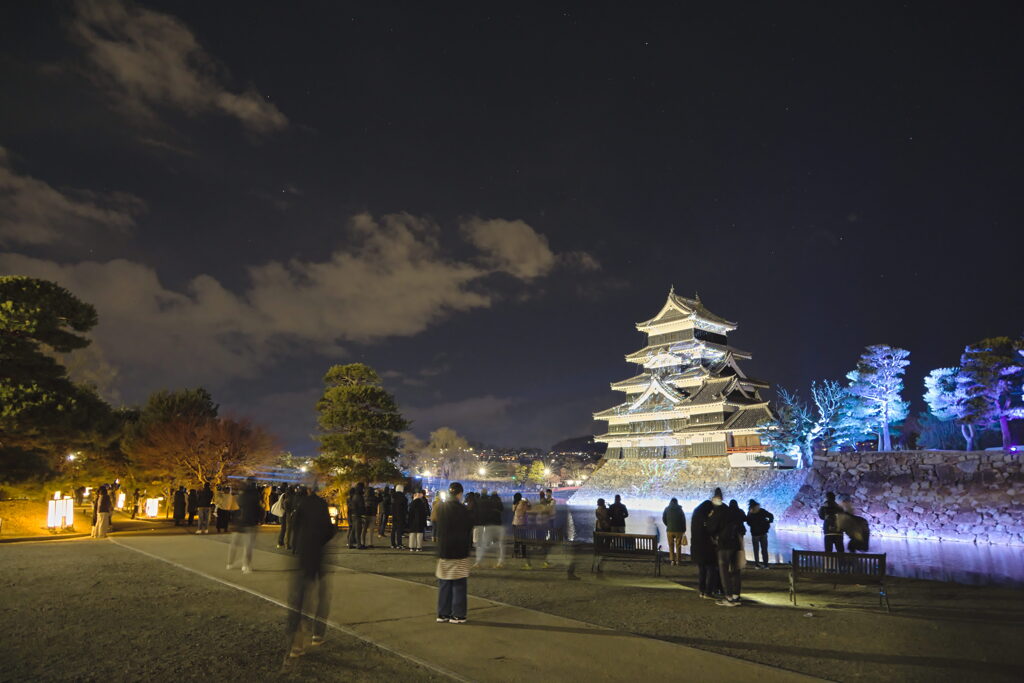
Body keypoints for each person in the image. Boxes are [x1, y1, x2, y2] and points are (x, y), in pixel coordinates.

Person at [286, 487, 336, 658]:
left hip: (302, 553)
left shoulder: (299, 503)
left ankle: (297, 643)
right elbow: (329, 531)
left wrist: (296, 544)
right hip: (318, 554)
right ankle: (318, 634)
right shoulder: (322, 504)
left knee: (300, 596)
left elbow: (293, 526)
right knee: (322, 595)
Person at [434, 482, 473, 624]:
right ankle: (458, 615)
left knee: (444, 583)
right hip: (459, 550)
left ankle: (443, 613)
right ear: (459, 494)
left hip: (444, 550)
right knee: (459, 583)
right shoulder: (463, 510)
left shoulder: (441, 508)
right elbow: (469, 528)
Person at [706, 489, 744, 607]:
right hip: (736, 544)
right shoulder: (731, 510)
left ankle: (728, 597)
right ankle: (736, 596)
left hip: (724, 545)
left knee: (724, 571)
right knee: (736, 570)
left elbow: (711, 528)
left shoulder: (718, 511)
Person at [690, 488, 722, 598]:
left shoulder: (696, 518)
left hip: (696, 548)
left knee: (702, 570)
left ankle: (702, 591)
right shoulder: (706, 520)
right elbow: (710, 531)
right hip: (707, 549)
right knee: (711, 569)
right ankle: (708, 591)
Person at [227, 478, 262, 574]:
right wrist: (260, 518)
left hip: (239, 521)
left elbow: (235, 506)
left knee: (234, 543)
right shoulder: (255, 496)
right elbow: (258, 508)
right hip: (251, 522)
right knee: (248, 545)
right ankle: (246, 565)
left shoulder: (240, 496)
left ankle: (230, 563)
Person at [746, 499, 774, 568]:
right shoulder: (761, 510)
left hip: (755, 533)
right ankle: (766, 564)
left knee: (756, 550)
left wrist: (752, 524)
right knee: (764, 549)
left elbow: (748, 522)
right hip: (763, 532)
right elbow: (771, 515)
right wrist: (768, 522)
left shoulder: (750, 512)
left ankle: (757, 564)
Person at [663, 498, 687, 566]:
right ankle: (678, 561)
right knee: (678, 545)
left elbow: (664, 518)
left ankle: (672, 560)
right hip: (679, 531)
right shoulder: (680, 509)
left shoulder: (666, 509)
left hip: (669, 531)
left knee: (671, 545)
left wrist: (668, 525)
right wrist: (684, 529)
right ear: (677, 502)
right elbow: (683, 520)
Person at [512, 492, 532, 569]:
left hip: (515, 523)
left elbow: (513, 510)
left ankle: (516, 553)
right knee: (523, 539)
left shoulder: (515, 503)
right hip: (523, 523)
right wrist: (528, 501)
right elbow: (529, 508)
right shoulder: (523, 503)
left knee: (516, 539)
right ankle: (523, 554)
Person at [347, 483, 366, 549]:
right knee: (358, 530)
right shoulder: (359, 496)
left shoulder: (354, 495)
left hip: (353, 515)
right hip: (357, 515)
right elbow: (361, 506)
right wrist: (363, 513)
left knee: (353, 530)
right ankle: (359, 545)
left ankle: (350, 544)